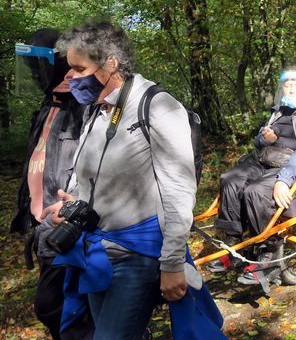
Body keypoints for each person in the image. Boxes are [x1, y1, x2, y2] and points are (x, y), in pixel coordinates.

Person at [40, 21, 224, 340]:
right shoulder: (95, 110)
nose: (68, 76)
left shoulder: (158, 106)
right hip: (97, 254)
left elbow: (178, 192)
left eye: (78, 68)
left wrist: (171, 264)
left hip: (139, 255)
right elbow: (89, 174)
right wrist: (70, 204)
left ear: (110, 63)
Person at [211, 68, 296, 284]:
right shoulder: (280, 110)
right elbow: (257, 142)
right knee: (229, 180)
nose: (290, 89)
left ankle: (268, 255)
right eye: (287, 85)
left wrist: (283, 180)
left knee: (256, 191)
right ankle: (233, 243)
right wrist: (265, 139)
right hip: (268, 158)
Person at [11, 29, 93, 340]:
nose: (33, 73)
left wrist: (73, 211)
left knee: (55, 306)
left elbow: (92, 169)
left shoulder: (83, 107)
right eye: (29, 66)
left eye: (37, 65)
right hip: (43, 223)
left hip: (66, 224)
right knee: (57, 309)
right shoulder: (49, 105)